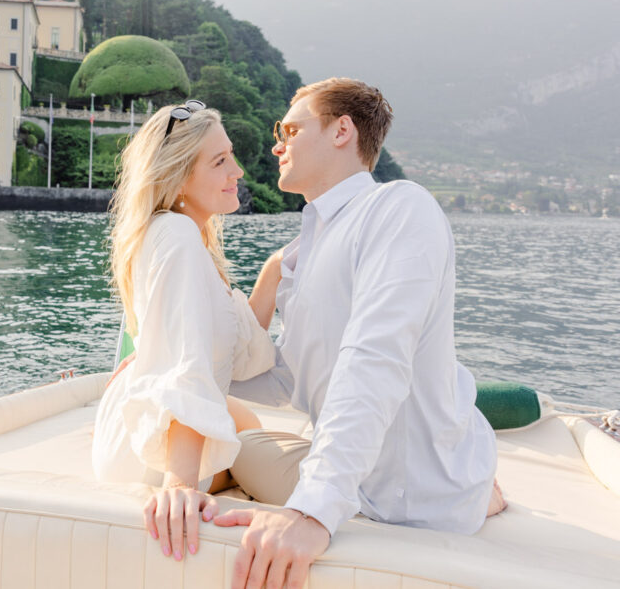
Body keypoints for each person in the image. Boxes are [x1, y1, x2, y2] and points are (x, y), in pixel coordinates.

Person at [213, 78, 504, 589]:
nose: (277, 145)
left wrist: (312, 511)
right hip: (375, 474)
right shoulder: (306, 249)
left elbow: (375, 356)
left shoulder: (400, 207)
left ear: (341, 130)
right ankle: (481, 484)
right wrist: (185, 370)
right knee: (237, 435)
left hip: (405, 494)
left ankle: (475, 486)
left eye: (289, 130)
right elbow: (291, 379)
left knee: (237, 445)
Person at [91, 101, 277, 562]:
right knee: (260, 446)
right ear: (177, 179)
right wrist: (179, 484)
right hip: (153, 450)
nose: (237, 171)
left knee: (249, 430)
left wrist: (274, 271)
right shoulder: (176, 236)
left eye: (231, 155)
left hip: (140, 429)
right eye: (219, 161)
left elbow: (242, 355)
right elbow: (185, 367)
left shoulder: (181, 236)